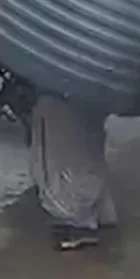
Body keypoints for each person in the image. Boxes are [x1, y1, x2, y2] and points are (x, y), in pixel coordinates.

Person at [29, 93, 117, 251]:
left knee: (61, 136)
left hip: (62, 85)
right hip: (90, 84)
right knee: (84, 134)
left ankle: (77, 221)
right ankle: (98, 210)